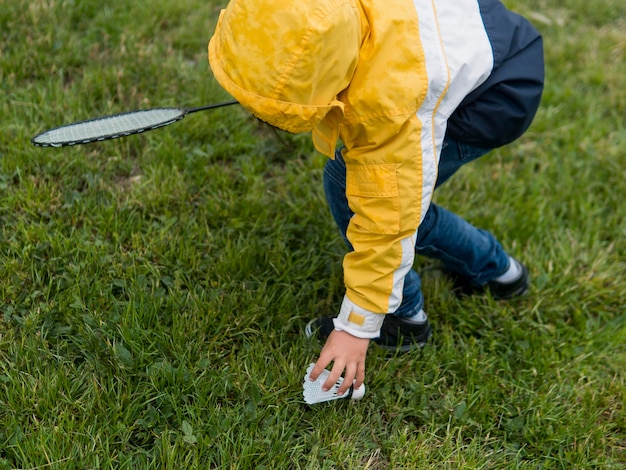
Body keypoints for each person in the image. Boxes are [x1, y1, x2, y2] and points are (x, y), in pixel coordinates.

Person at [208, 0, 544, 397]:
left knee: (376, 199)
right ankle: (500, 273)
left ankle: (403, 318)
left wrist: (355, 327)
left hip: (495, 95)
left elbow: (389, 217)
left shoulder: (387, 106)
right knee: (360, 182)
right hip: (485, 38)